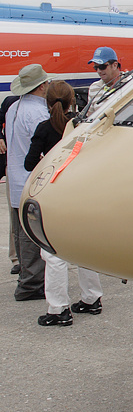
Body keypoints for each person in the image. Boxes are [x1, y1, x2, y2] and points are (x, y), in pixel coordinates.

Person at [26, 81, 103, 326]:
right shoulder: (84, 126)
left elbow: (29, 164)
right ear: (73, 101)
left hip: (54, 196)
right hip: (81, 193)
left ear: (47, 102)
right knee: (85, 248)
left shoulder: (44, 129)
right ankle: (92, 298)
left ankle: (58, 308)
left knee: (53, 254)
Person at [6, 64, 50, 301]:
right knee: (31, 232)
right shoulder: (37, 113)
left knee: (19, 230)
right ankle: (31, 283)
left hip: (14, 176)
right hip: (29, 178)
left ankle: (25, 273)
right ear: (42, 86)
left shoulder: (14, 107)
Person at [2, 93, 19, 274]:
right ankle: (16, 258)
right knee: (15, 217)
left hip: (18, 169)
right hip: (15, 169)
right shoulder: (11, 103)